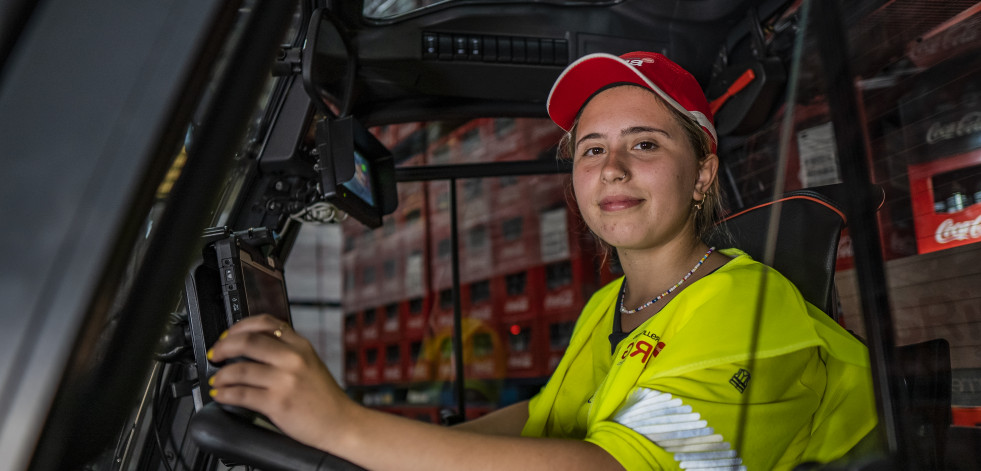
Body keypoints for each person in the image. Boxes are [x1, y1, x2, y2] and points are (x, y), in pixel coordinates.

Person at [207, 51, 878, 470]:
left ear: (702, 174)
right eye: (590, 149)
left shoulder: (743, 306)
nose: (611, 168)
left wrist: (346, 428)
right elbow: (540, 417)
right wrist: (376, 440)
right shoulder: (607, 305)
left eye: (642, 144)